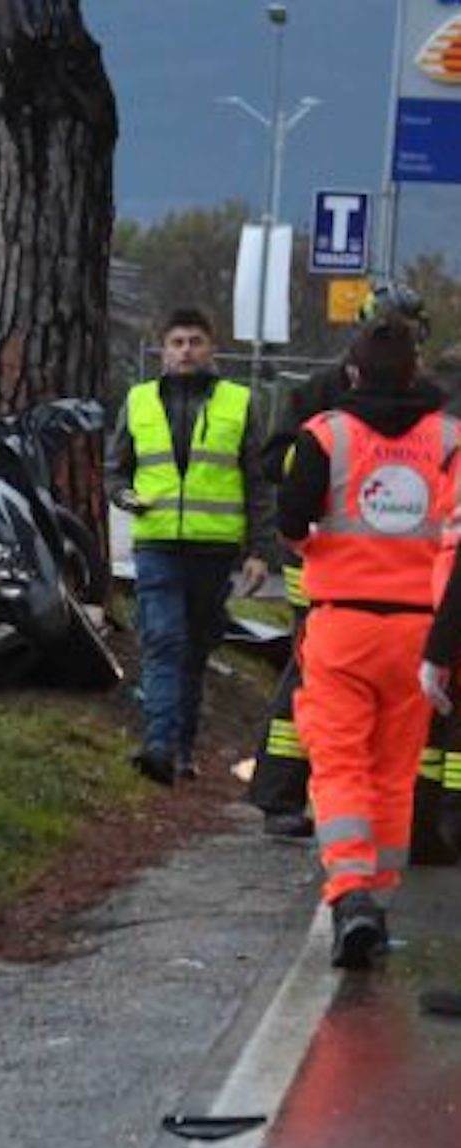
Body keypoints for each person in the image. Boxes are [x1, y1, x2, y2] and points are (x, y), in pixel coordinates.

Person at [279, 312, 460, 969]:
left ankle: (351, 893)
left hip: (343, 626)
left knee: (339, 764)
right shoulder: (450, 438)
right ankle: (376, 901)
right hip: (420, 634)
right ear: (418, 371)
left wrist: (321, 547)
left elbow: (290, 520)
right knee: (392, 771)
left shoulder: (326, 434)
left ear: (351, 372)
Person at [249, 281, 445, 841]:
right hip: (326, 563)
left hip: (405, 572)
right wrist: (320, 468)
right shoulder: (318, 392)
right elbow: (273, 463)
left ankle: (417, 814)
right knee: (308, 675)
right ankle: (281, 793)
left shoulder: (428, 403)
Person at [106, 306, 274, 785]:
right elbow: (115, 468)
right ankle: (157, 745)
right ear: (163, 350)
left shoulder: (240, 403)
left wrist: (260, 550)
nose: (186, 350)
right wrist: (124, 496)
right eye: (177, 342)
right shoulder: (138, 401)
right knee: (163, 641)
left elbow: (258, 482)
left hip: (214, 549)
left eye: (195, 341)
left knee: (196, 649)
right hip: (156, 543)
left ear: (211, 348)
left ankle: (181, 747)